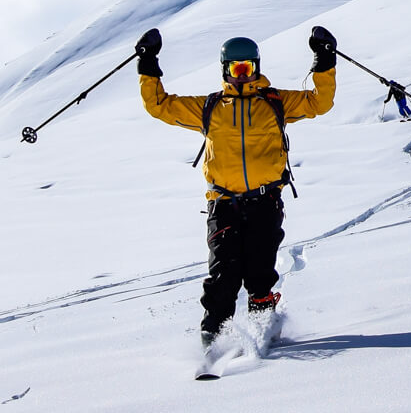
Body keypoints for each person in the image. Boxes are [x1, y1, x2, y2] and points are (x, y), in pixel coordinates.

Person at [135, 26, 337, 347]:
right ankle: (213, 342)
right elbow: (159, 106)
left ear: (256, 68)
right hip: (223, 204)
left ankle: (265, 332)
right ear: (225, 71)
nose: (241, 76)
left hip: (264, 202)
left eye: (247, 69)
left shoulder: (275, 102)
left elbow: (319, 102)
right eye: (235, 69)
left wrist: (324, 60)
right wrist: (148, 65)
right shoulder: (210, 107)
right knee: (223, 278)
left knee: (259, 275)